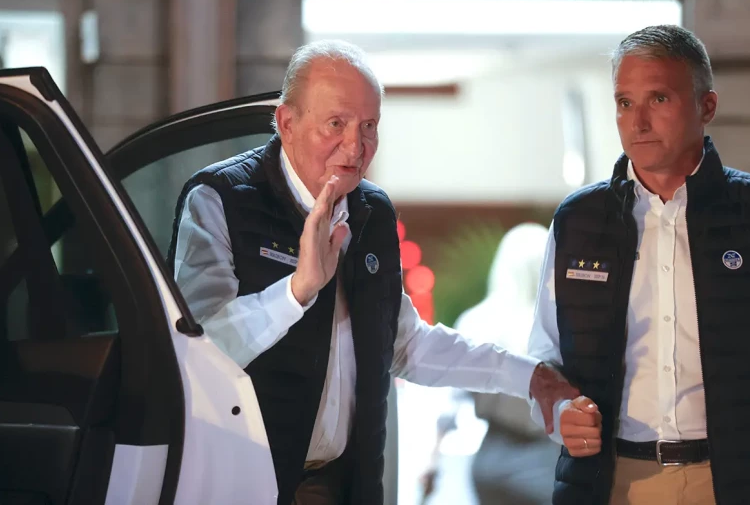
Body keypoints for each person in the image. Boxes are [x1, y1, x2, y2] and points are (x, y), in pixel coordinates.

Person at [168, 40, 576, 505]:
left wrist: (529, 376)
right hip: (241, 486)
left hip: (343, 485)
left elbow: (406, 344)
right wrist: (297, 291)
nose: (355, 146)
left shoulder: (371, 212)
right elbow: (199, 352)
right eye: (336, 124)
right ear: (286, 123)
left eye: (369, 126)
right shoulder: (222, 198)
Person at [527, 24, 750, 505]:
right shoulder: (577, 222)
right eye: (623, 102)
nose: (637, 122)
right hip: (609, 482)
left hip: (734, 481)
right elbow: (545, 359)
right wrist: (557, 411)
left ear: (707, 107)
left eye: (658, 99)